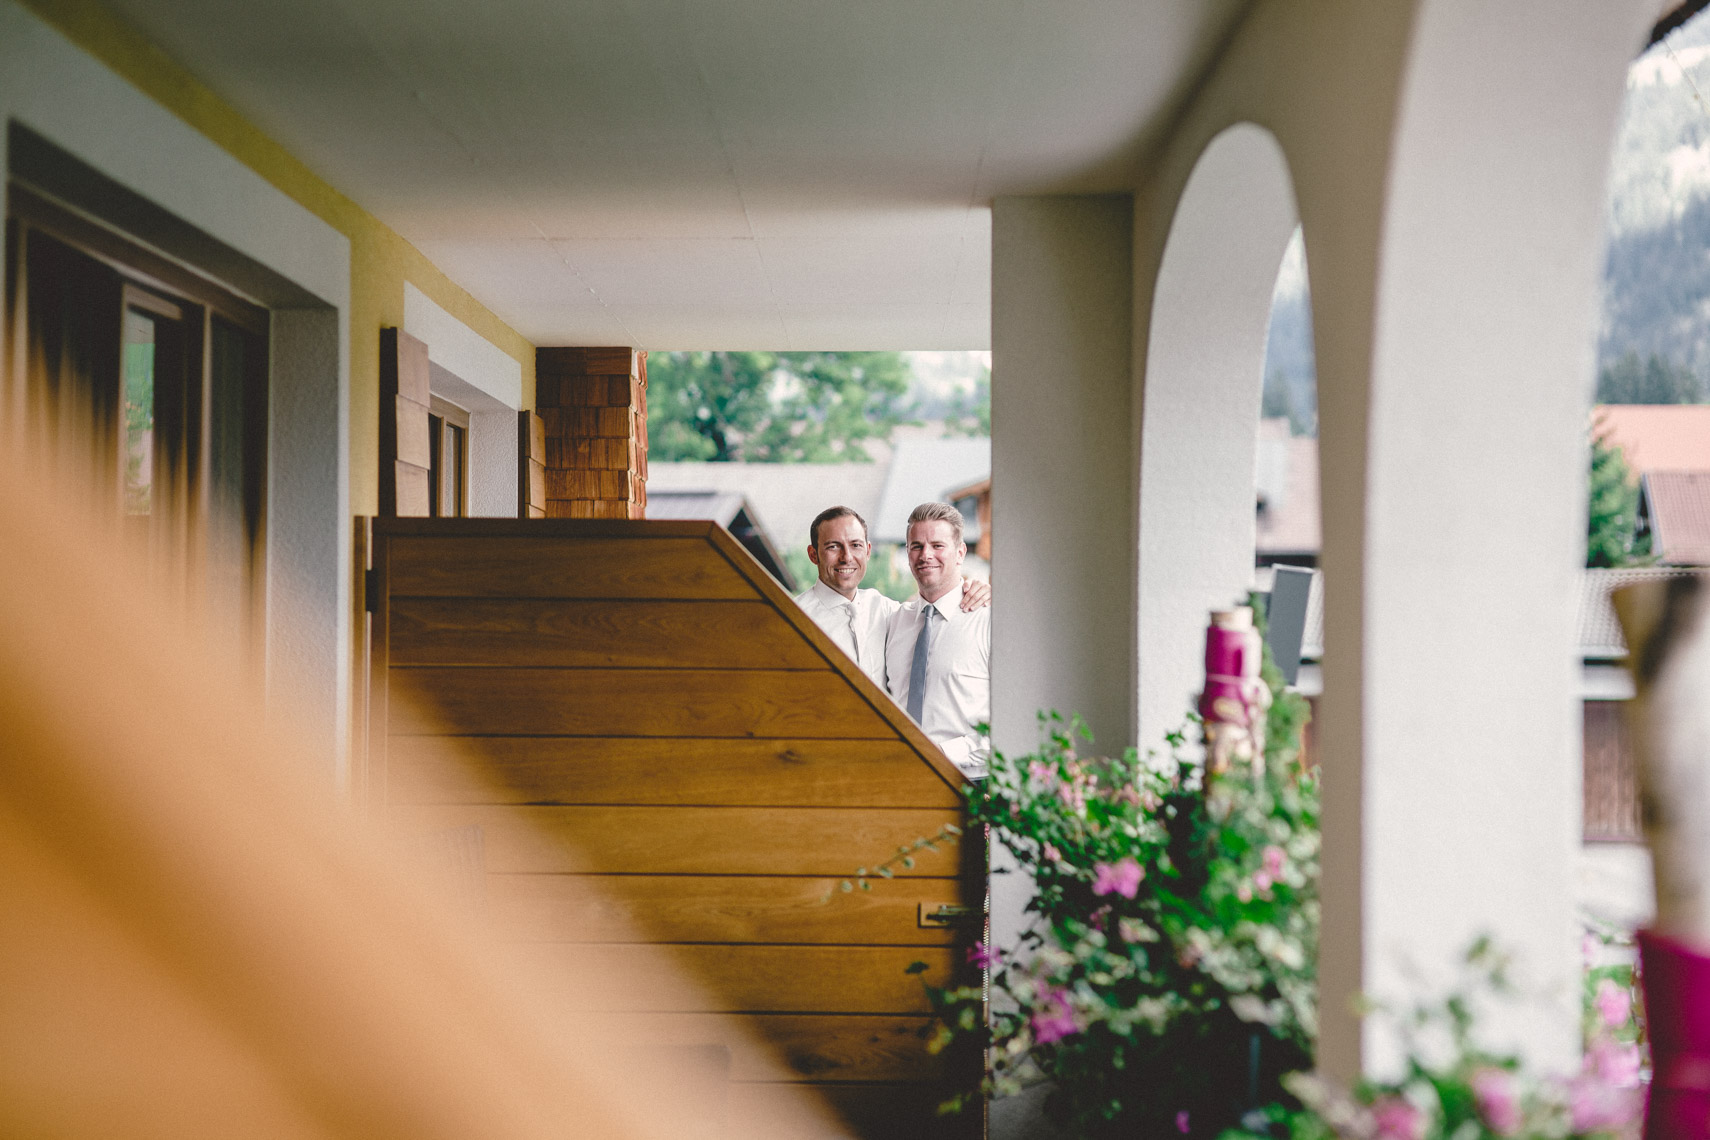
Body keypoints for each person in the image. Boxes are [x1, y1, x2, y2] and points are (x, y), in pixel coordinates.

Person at [794, 505, 987, 686]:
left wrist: (980, 591)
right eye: (833, 547)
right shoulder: (794, 618)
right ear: (813, 554)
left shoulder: (887, 611)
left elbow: (931, 603)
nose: (847, 557)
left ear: (868, 551)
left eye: (856, 545)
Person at [884, 501, 991, 777]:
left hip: (968, 781)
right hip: (898, 777)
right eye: (916, 546)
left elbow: (1011, 724)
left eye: (937, 545)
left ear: (960, 552)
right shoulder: (894, 622)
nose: (925, 555)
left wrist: (938, 753)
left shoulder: (989, 621)